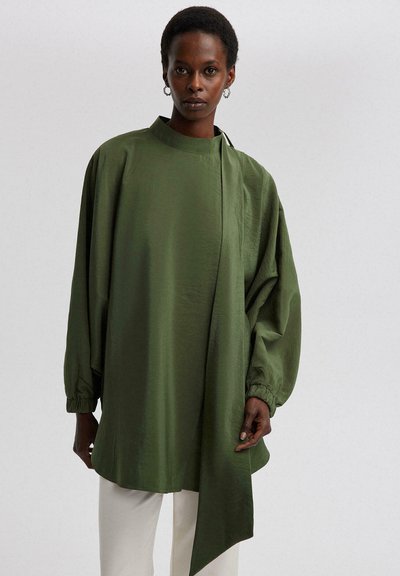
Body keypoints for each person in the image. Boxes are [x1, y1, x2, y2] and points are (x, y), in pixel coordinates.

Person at [63, 6, 301, 576]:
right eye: (182, 69)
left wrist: (262, 389)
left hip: (219, 392)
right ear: (165, 71)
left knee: (210, 555)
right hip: (136, 388)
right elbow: (90, 289)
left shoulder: (252, 184)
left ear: (230, 75)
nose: (195, 84)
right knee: (122, 556)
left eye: (209, 70)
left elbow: (273, 298)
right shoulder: (117, 163)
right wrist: (83, 402)